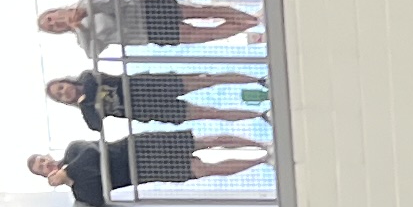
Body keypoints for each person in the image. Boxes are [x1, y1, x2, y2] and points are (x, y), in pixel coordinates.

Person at [33, 129, 269, 205]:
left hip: (139, 148)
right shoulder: (79, 193)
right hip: (144, 172)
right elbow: (99, 198)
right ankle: (261, 160)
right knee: (205, 170)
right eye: (42, 169)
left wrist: (69, 172)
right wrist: (70, 180)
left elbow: (93, 155)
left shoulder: (73, 150)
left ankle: (261, 144)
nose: (46, 165)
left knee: (205, 143)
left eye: (43, 160)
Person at [41, 0, 259, 53]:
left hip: (145, 9)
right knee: (203, 35)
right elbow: (93, 51)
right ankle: (248, 25)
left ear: (55, 10)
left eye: (50, 19)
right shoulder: (83, 39)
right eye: (51, 27)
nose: (54, 23)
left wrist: (86, 11)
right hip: (147, 34)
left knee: (202, 12)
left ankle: (252, 18)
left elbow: (115, 3)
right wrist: (79, 27)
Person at [44, 65, 266, 126]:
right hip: (150, 110)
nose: (64, 93)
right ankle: (258, 114)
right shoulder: (87, 110)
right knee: (211, 113)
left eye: (61, 88)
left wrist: (90, 103)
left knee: (208, 79)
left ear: (66, 81)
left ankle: (258, 80)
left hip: (150, 86)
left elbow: (93, 83)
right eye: (60, 96)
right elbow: (95, 126)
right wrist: (87, 106)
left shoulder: (86, 77)